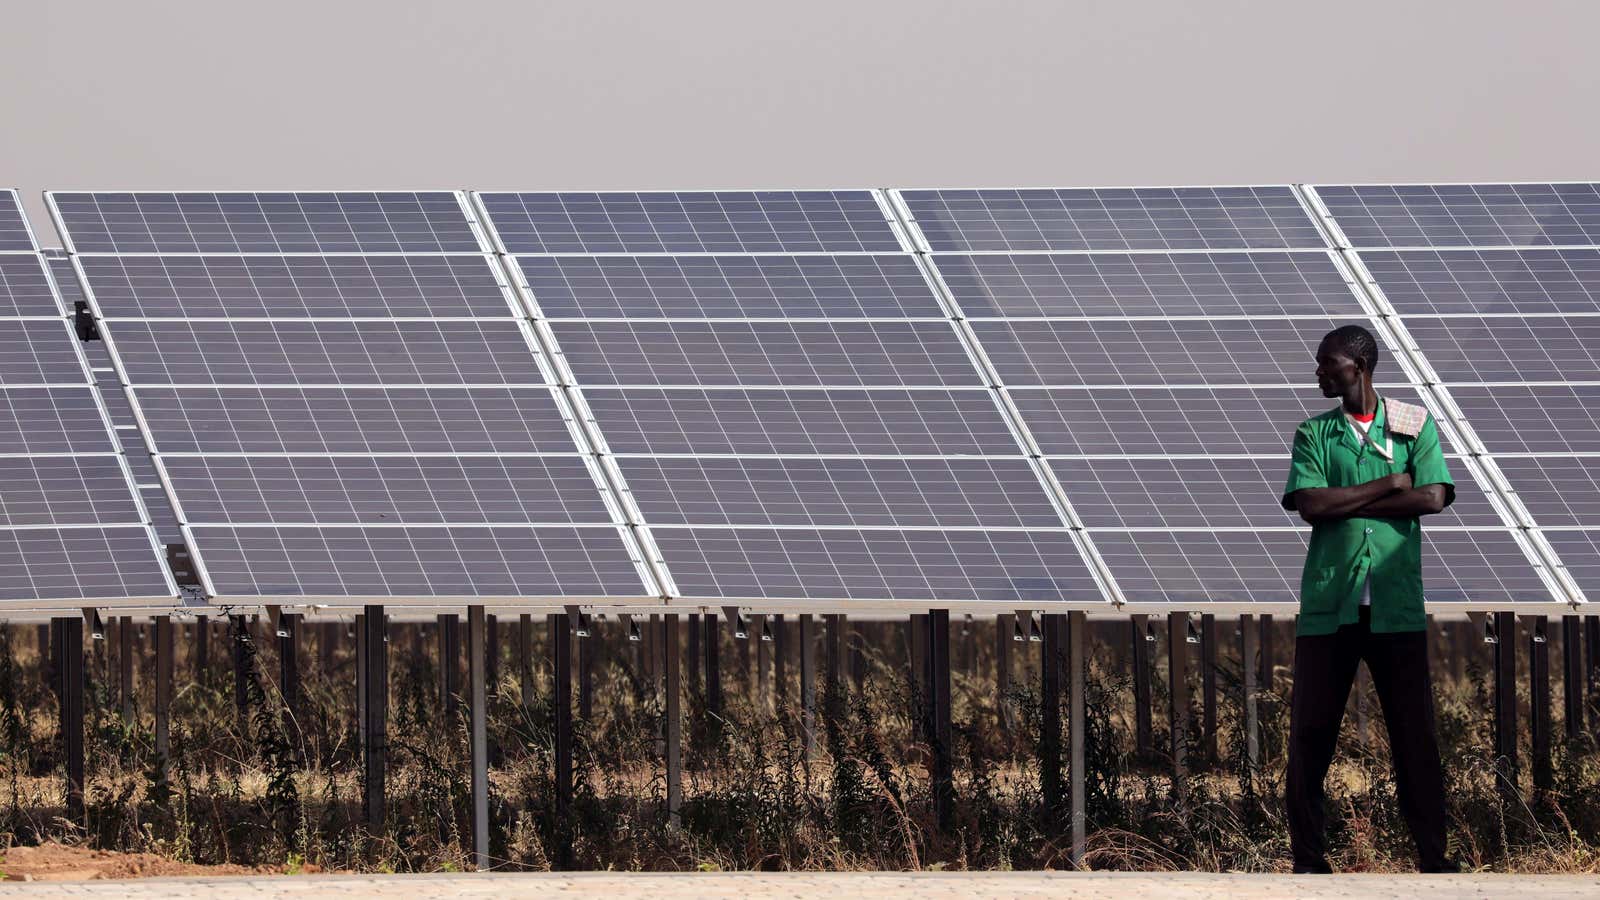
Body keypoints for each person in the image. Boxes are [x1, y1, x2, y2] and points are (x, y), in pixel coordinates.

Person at [1279, 324, 1461, 874]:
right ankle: (1309, 861)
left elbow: (1432, 496)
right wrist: (1387, 487)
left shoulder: (1413, 425)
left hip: (1393, 605)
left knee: (1414, 735)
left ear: (1358, 366)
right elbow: (1311, 505)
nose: (1318, 372)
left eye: (1326, 363)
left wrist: (1348, 504)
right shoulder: (1314, 434)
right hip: (1329, 607)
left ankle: (1434, 858)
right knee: (1311, 735)